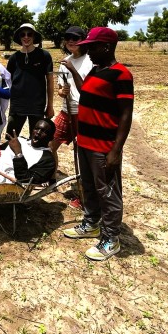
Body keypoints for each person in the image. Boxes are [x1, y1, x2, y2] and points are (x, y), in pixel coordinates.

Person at [61, 27, 134, 262]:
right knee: (89, 185)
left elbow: (125, 115)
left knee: (108, 191)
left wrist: (115, 150)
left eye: (92, 46)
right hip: (85, 141)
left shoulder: (121, 74)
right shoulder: (96, 70)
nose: (88, 50)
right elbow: (85, 92)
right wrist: (72, 72)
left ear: (106, 47)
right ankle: (92, 223)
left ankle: (111, 238)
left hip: (103, 146)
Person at [51, 27, 93, 209]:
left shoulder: (90, 61)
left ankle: (85, 196)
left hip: (83, 113)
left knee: (82, 155)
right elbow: (60, 89)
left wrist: (72, 71)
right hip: (65, 111)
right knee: (50, 144)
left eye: (75, 38)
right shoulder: (65, 61)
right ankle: (50, 178)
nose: (71, 41)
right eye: (68, 38)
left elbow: (89, 90)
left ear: (84, 40)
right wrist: (62, 92)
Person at [5, 23, 54, 138]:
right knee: (10, 138)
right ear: (19, 37)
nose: (26, 37)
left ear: (34, 36)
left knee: (37, 140)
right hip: (17, 105)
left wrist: (50, 106)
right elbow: (7, 82)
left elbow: (50, 82)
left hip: (37, 105)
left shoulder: (44, 55)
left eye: (29, 34)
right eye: (23, 34)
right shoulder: (14, 58)